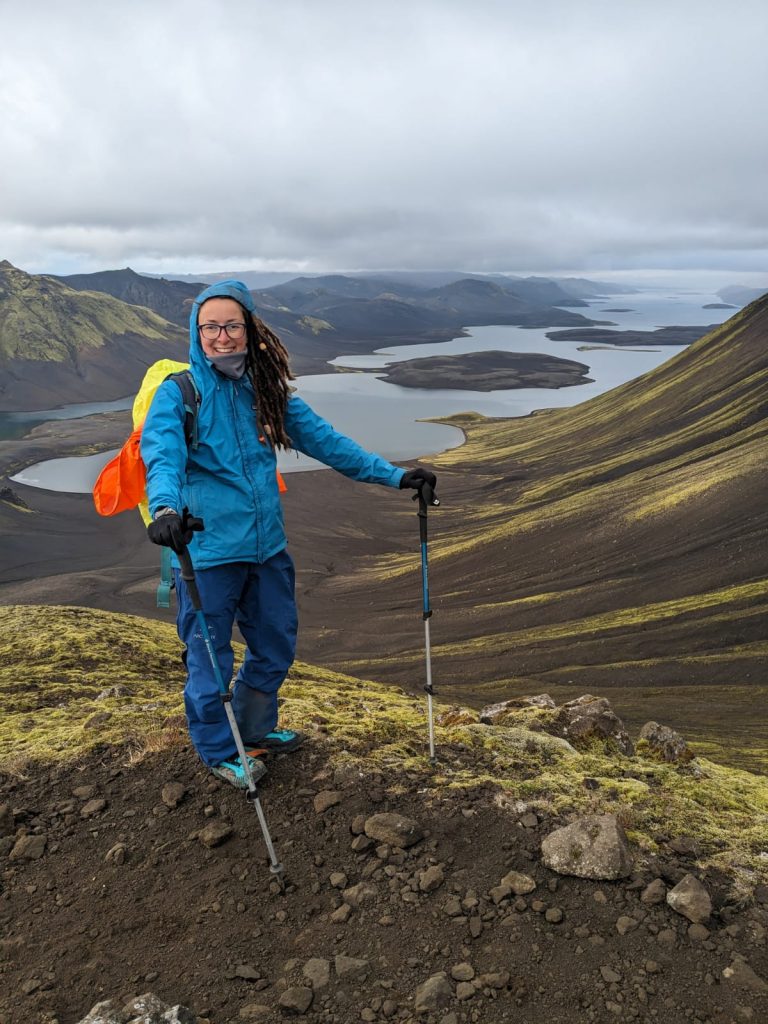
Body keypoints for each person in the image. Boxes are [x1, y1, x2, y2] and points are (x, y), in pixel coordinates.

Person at [141, 279, 437, 788]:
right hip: (207, 550)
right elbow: (162, 454)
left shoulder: (266, 391)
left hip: (265, 549)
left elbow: (325, 441)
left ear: (250, 329)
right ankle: (219, 750)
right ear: (196, 332)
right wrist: (164, 508)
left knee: (276, 644)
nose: (221, 336)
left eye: (231, 325)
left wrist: (394, 475)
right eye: (209, 327)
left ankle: (254, 731)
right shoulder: (181, 394)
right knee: (210, 656)